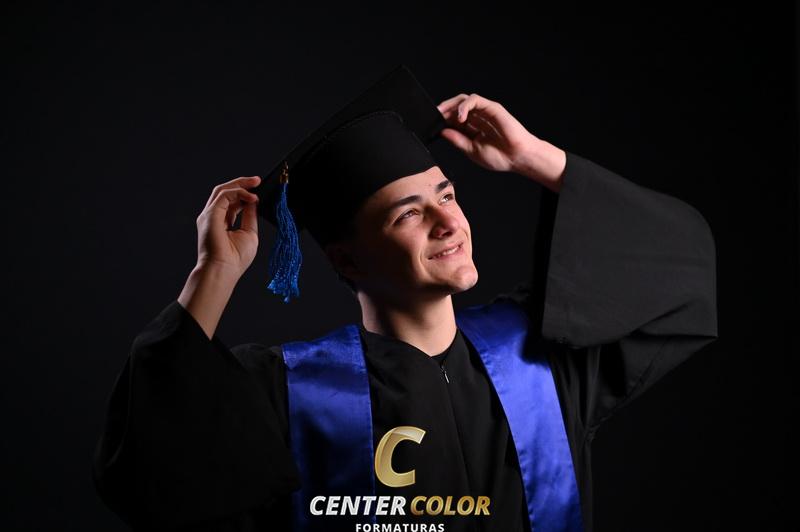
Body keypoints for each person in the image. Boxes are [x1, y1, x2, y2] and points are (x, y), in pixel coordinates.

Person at [92, 66, 717, 532]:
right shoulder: (288, 392)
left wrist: (535, 158)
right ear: (347, 260)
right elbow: (147, 475)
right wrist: (214, 273)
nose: (449, 223)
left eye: (447, 195)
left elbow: (680, 267)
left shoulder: (542, 355)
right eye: (409, 214)